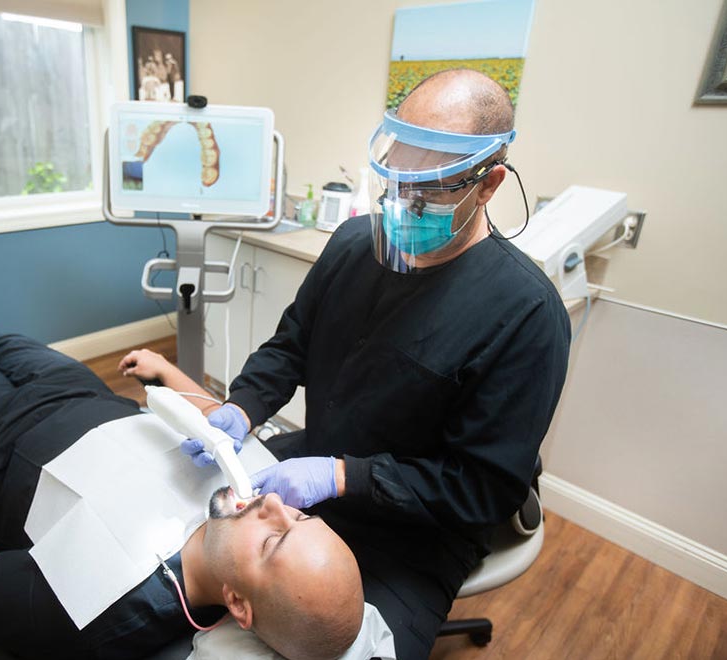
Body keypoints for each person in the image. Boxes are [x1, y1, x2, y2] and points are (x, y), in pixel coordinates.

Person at [133, 69, 572, 659]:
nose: (401, 207)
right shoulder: (351, 245)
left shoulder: (527, 315)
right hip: (311, 471)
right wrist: (242, 408)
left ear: (488, 185)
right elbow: (290, 345)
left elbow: (480, 490)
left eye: (427, 189)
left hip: (415, 536)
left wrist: (340, 477)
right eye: (395, 183)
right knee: (159, 557)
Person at [0, 242, 365, 660]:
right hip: (84, 394)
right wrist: (169, 375)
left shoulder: (110, 609)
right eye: (300, 518)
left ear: (238, 603)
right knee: (5, 342)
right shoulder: (256, 497)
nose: (274, 505)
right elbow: (218, 426)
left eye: (274, 540)